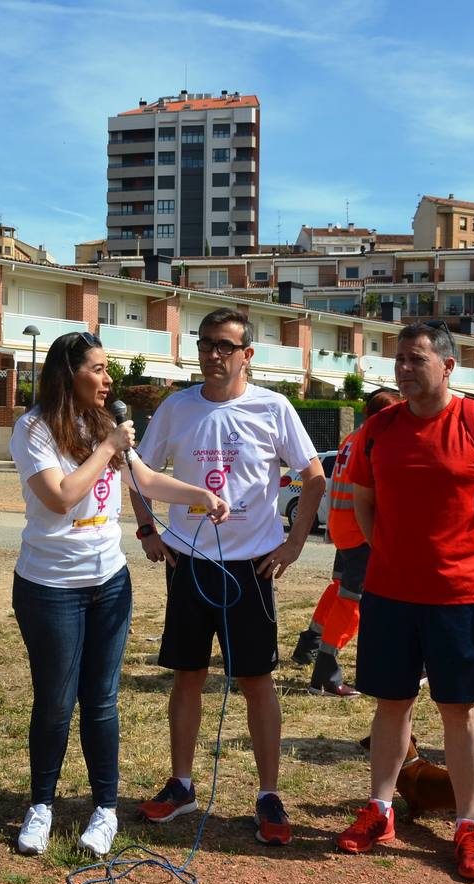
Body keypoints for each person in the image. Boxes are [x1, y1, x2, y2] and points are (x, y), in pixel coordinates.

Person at [10, 331, 230, 857]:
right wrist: (109, 446)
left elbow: (146, 481)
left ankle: (103, 809)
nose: (110, 380)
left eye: (109, 370)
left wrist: (199, 493)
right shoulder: (33, 429)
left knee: (102, 701)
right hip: (49, 586)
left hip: (108, 583)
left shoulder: (102, 424)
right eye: (99, 369)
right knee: (57, 702)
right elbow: (61, 497)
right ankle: (42, 805)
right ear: (69, 373)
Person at [336, 321, 474, 882]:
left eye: (415, 358)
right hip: (390, 594)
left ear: (448, 367)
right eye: (398, 358)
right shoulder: (379, 429)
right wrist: (391, 556)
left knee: (459, 710)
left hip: (459, 596)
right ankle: (380, 810)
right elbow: (366, 505)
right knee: (390, 704)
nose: (403, 368)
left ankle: (468, 826)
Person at [131, 308, 325, 846]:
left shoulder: (273, 406)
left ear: (247, 355)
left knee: (256, 682)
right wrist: (149, 530)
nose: (213, 354)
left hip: (251, 567)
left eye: (224, 345)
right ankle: (183, 784)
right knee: (188, 675)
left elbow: (314, 478)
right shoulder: (176, 407)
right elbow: (138, 474)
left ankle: (268, 794)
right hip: (190, 563)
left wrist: (293, 542)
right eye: (205, 343)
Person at [290, 388, 402, 697]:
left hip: (341, 526)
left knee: (339, 591)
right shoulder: (377, 440)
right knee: (353, 600)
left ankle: (310, 644)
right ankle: (325, 672)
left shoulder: (352, 438)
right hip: (361, 531)